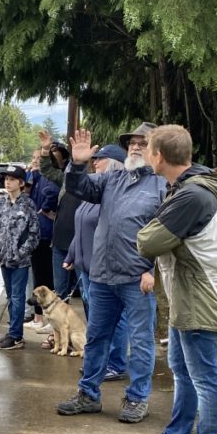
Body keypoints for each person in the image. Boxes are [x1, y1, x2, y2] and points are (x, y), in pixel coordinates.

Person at [135, 125, 217, 434]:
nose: (147, 154)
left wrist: (152, 230)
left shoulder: (193, 196)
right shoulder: (184, 190)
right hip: (188, 298)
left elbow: (148, 242)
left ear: (159, 156)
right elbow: (158, 236)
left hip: (202, 300)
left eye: (148, 149)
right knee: (182, 370)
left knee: (204, 378)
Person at [56, 122, 165, 424]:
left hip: (137, 278)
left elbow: (168, 232)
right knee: (97, 338)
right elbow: (80, 188)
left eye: (143, 143)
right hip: (103, 275)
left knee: (141, 341)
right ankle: (89, 394)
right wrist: (77, 165)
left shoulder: (162, 185)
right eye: (132, 142)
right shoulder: (112, 178)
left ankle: (137, 398)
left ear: (157, 150)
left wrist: (152, 268)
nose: (135, 146)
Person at [62, 144, 129, 381]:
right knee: (96, 321)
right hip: (85, 267)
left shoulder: (111, 196)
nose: (95, 163)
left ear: (113, 164)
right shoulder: (94, 192)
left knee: (115, 321)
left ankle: (116, 363)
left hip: (102, 269)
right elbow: (81, 227)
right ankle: (99, 363)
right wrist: (71, 256)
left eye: (99, 159)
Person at [0, 164, 39, 350]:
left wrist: (21, 253)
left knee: (18, 297)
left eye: (11, 179)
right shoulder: (0, 203)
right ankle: (13, 330)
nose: (7, 183)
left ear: (21, 183)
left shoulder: (28, 204)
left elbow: (34, 233)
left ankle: (16, 335)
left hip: (20, 261)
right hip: (3, 258)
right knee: (10, 297)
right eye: (6, 179)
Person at [38, 133, 82, 301]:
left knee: (86, 292)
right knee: (59, 291)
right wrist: (45, 149)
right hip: (60, 242)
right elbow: (47, 169)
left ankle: (91, 327)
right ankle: (57, 326)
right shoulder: (66, 179)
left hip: (81, 245)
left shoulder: (97, 183)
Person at [24, 149, 59, 329]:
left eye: (39, 159)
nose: (35, 161)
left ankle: (47, 319)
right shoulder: (39, 177)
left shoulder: (49, 178)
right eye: (34, 157)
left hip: (45, 233)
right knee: (39, 276)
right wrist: (32, 170)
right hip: (39, 232)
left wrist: (44, 208)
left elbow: (52, 192)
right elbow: (27, 184)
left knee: (46, 278)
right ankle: (39, 317)